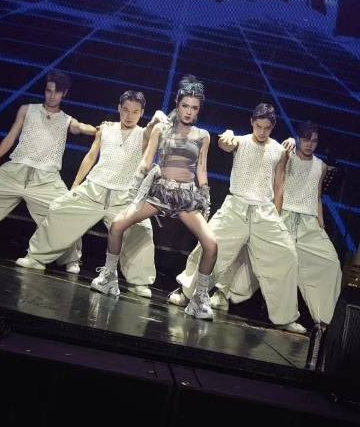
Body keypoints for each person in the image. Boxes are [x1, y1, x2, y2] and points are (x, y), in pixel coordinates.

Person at [90, 75, 218, 321]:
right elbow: (146, 161)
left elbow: (201, 169)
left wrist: (205, 198)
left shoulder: (203, 135)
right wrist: (133, 190)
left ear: (199, 110)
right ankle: (108, 277)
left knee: (211, 244)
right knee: (117, 225)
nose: (189, 112)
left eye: (194, 108)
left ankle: (199, 299)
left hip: (186, 197)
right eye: (185, 106)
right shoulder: (162, 128)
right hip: (160, 192)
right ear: (177, 104)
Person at [169, 103, 306, 333]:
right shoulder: (239, 141)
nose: (262, 131)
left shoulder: (279, 150)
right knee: (209, 246)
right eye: (258, 126)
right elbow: (224, 144)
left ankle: (285, 318)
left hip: (264, 212)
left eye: (267, 127)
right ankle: (186, 292)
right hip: (236, 207)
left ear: (273, 126)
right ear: (252, 122)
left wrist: (277, 215)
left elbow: (279, 185)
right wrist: (228, 136)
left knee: (287, 256)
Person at [0, 70, 96, 274]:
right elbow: (11, 135)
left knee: (65, 210)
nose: (52, 96)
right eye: (49, 90)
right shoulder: (27, 109)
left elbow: (80, 127)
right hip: (15, 170)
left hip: (46, 179)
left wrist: (97, 129)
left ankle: (71, 259)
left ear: (64, 94)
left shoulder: (67, 120)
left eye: (57, 92)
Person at [14, 90, 163, 298]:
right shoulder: (106, 129)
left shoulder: (144, 134)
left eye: (135, 112)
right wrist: (76, 184)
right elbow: (91, 156)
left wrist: (156, 118)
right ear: (119, 108)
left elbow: (152, 128)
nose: (129, 115)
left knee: (142, 230)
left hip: (124, 198)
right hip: (94, 189)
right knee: (59, 209)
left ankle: (139, 282)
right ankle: (37, 258)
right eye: (126, 110)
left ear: (142, 113)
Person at [208, 121, 342, 330]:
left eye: (314, 141)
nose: (309, 144)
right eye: (305, 139)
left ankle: (325, 321)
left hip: (309, 224)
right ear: (298, 138)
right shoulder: (285, 154)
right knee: (252, 260)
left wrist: (321, 223)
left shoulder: (321, 166)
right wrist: (275, 216)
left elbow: (316, 197)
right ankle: (223, 292)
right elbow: (278, 185)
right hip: (282, 214)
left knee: (330, 264)